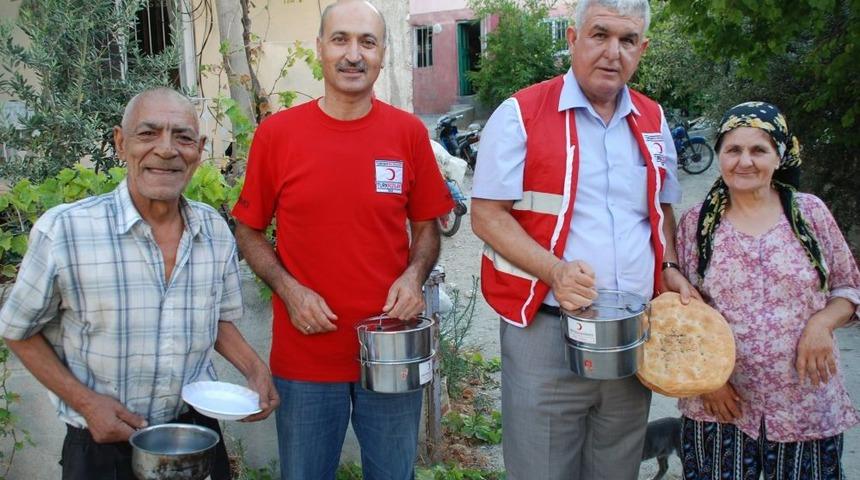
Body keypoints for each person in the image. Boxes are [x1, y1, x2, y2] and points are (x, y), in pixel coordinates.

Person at [0, 87, 279, 480]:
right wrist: (87, 403)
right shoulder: (66, 231)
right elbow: (18, 330)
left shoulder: (214, 231)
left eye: (183, 137)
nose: (166, 150)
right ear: (121, 142)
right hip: (100, 440)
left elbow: (216, 320)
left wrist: (255, 369)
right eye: (148, 133)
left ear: (199, 150)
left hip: (194, 434)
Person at [470, 0, 698, 478]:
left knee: (617, 468)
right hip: (545, 332)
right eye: (600, 35)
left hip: (631, 336)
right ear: (573, 40)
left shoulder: (654, 119)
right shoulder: (520, 114)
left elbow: (661, 210)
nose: (613, 52)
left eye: (627, 40)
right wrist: (554, 270)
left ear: (642, 49)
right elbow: (487, 216)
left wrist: (670, 268)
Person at [230, 1, 453, 479]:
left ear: (382, 53)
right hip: (305, 358)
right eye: (340, 40)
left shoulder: (408, 134)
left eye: (367, 42)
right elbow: (248, 230)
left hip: (392, 351)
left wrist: (414, 276)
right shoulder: (277, 135)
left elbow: (426, 227)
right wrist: (289, 290)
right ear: (320, 48)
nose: (354, 54)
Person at [674, 101, 860, 479]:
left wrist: (822, 323)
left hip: (805, 402)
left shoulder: (810, 214)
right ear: (720, 155)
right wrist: (708, 382)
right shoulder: (697, 223)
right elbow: (680, 312)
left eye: (758, 150)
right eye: (733, 150)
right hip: (721, 405)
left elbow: (847, 287)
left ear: (780, 156)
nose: (745, 161)